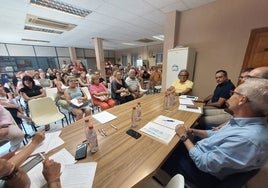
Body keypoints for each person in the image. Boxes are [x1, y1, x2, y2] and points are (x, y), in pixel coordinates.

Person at [160, 78, 268, 188]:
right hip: (202, 153)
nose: (229, 96)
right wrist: (191, 130)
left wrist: (184, 137)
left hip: (202, 172)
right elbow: (216, 135)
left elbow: (204, 163)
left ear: (242, 100)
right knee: (171, 143)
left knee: (161, 154)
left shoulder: (248, 139)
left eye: (233, 93)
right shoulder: (242, 120)